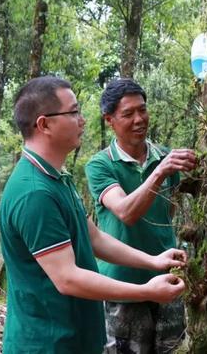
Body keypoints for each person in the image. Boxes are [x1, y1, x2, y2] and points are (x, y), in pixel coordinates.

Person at [0, 76, 187, 354]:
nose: (82, 120)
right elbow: (67, 278)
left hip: (76, 336)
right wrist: (147, 291)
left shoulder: (56, 178)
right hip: (47, 343)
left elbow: (95, 237)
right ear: (44, 124)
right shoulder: (34, 193)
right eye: (73, 112)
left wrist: (153, 260)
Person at [84, 78, 196, 354]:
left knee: (171, 349)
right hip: (122, 283)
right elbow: (126, 212)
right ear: (109, 119)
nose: (139, 119)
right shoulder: (100, 165)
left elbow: (167, 211)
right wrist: (159, 173)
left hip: (167, 276)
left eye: (142, 110)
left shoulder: (166, 157)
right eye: (128, 114)